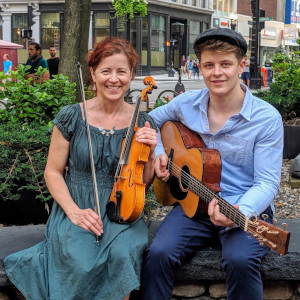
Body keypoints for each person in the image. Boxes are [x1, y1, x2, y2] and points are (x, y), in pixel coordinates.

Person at [4, 37, 157, 300]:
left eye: (122, 71)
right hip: (74, 202)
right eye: (106, 71)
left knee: (121, 254)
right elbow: (52, 171)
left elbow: (144, 180)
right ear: (93, 73)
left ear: (132, 75)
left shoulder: (142, 121)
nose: (114, 79)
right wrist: (74, 212)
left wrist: (152, 154)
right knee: (76, 255)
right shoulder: (72, 116)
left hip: (121, 209)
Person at [140, 27, 283, 300]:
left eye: (225, 64)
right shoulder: (186, 103)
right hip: (194, 202)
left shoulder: (266, 119)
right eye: (208, 65)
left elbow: (267, 182)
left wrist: (242, 210)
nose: (217, 72)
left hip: (243, 207)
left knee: (240, 260)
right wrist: (159, 152)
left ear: (242, 66)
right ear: (199, 67)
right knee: (157, 253)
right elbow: (148, 122)